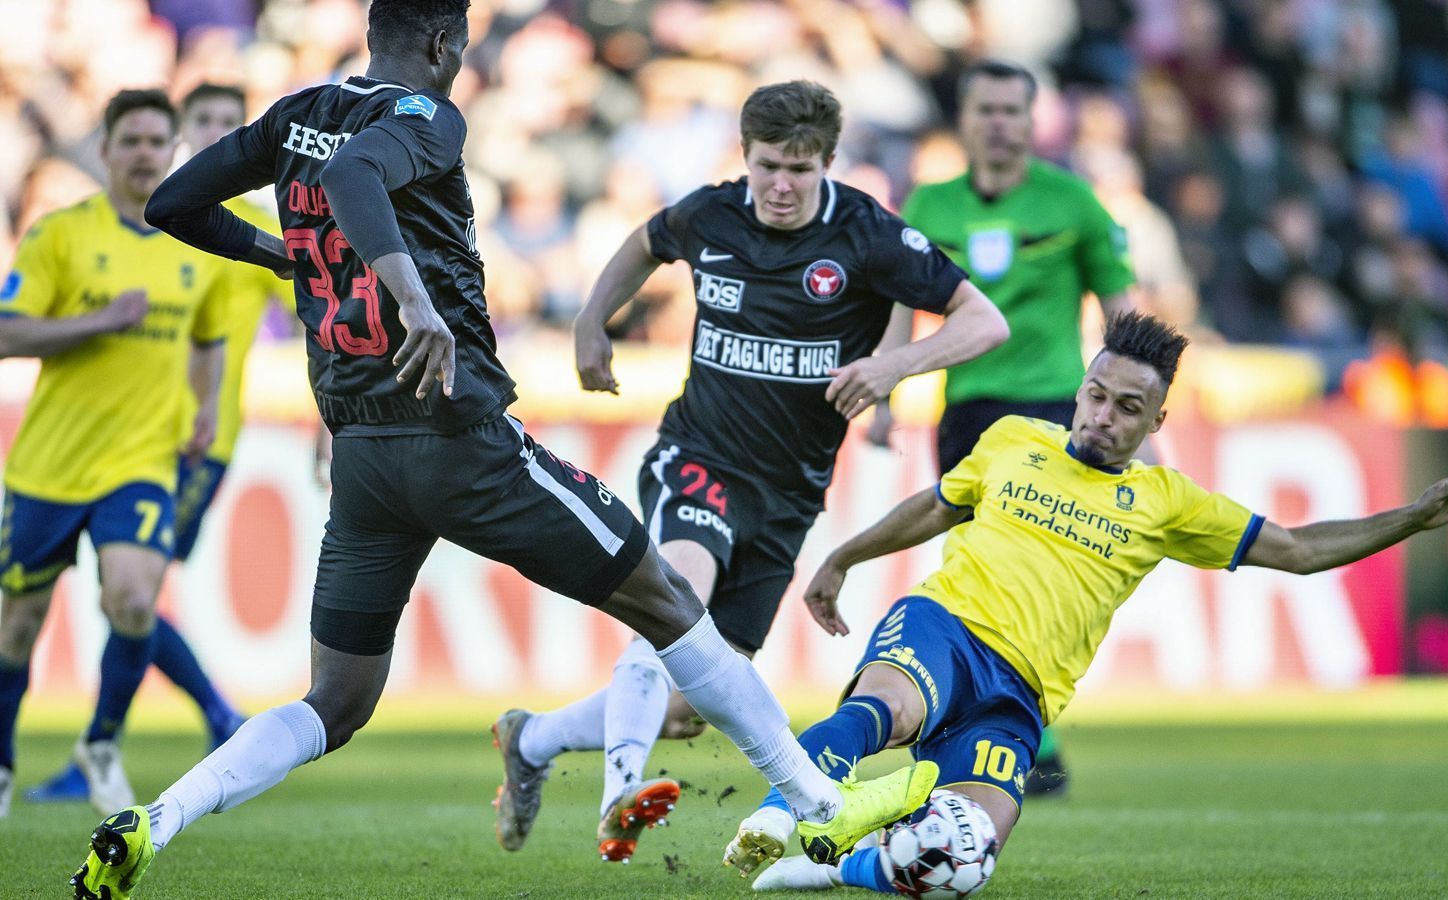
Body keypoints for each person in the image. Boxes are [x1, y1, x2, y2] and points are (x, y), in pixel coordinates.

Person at [69, 3, 939, 896]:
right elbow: (360, 178)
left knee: (334, 702)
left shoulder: (297, 112)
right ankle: (818, 802)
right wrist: (410, 300)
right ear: (445, 43)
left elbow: (170, 200)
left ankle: (155, 820)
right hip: (462, 441)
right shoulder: (423, 116)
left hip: (364, 455)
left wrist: (277, 256)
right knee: (671, 603)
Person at [734, 312, 1448, 890]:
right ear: (1080, 389)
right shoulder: (1010, 440)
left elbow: (1295, 549)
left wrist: (1413, 519)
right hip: (946, 627)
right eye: (1096, 395)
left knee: (958, 864)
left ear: (1156, 422)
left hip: (1019, 697)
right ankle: (777, 811)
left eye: (1128, 407)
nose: (1103, 415)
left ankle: (837, 866)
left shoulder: (1166, 501)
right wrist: (842, 557)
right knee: (886, 711)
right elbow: (936, 505)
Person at [496, 79, 1009, 864]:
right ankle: (619, 794)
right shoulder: (713, 213)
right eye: (768, 165)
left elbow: (984, 320)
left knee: (686, 704)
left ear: (829, 165)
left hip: (787, 495)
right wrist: (591, 319)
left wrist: (894, 367)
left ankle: (531, 739)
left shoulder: (868, 236)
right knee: (673, 598)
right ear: (746, 156)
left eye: (800, 171)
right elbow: (643, 243)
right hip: (698, 456)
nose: (780, 185)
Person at [875, 58, 1136, 797]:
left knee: (1044, 573)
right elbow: (899, 308)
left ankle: (1027, 727)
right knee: (980, 574)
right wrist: (885, 398)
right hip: (970, 412)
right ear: (965, 119)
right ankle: (997, 728)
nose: (997, 123)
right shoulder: (930, 202)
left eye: (1010, 111)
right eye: (984, 109)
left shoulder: (1072, 201)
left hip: (1059, 410)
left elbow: (1124, 315)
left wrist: (1139, 406)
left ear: (1031, 121)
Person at [25, 82, 283, 808]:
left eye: (231, 126)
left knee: (132, 592)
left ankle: (179, 724)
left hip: (199, 439)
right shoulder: (136, 220)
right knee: (128, 595)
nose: (214, 135)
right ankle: (176, 725)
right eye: (203, 122)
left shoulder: (251, 224)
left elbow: (313, 312)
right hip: (119, 434)